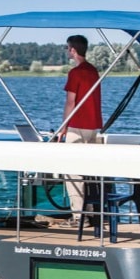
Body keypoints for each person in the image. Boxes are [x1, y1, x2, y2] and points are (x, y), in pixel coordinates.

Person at [60, 34, 103, 223]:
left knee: (72, 171)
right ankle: (91, 211)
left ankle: (79, 216)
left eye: (67, 48)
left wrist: (63, 127)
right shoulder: (93, 70)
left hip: (77, 126)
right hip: (93, 125)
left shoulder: (75, 73)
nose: (67, 51)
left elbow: (71, 101)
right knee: (89, 168)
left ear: (73, 50)